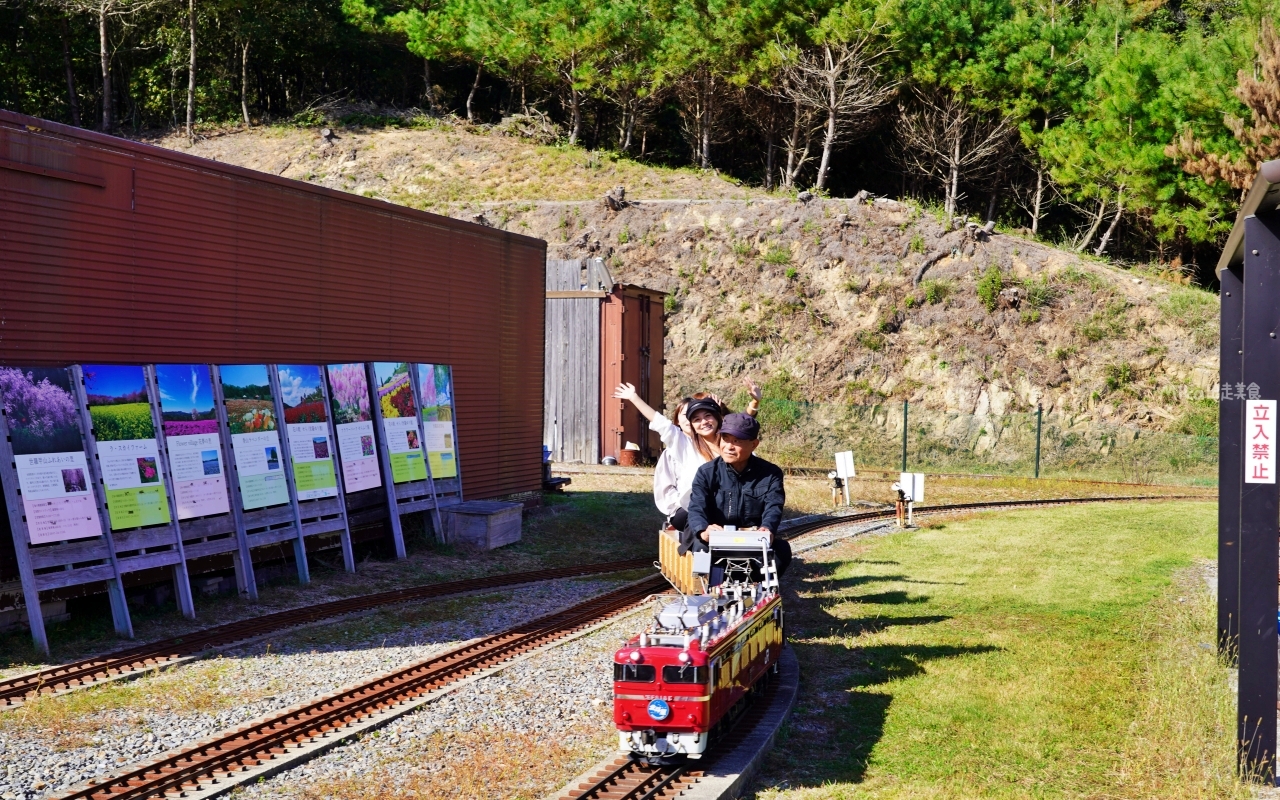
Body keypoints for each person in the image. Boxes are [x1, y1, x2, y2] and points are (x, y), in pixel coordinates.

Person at [612, 378, 759, 531]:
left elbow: (741, 425)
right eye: (697, 419)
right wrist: (633, 397)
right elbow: (661, 422)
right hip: (693, 509)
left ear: (717, 417)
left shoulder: (729, 445)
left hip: (727, 506)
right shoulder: (683, 444)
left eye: (708, 416)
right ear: (691, 424)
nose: (704, 422)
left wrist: (755, 402)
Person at [684, 412, 792, 578]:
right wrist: (703, 530)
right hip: (716, 540)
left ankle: (761, 591)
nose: (729, 446)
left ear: (754, 444)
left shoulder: (771, 473)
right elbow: (696, 507)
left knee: (781, 551)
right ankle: (708, 592)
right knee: (700, 550)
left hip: (751, 539)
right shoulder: (706, 473)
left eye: (737, 441)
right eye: (725, 439)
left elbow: (774, 506)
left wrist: (767, 528)